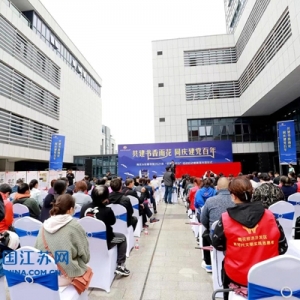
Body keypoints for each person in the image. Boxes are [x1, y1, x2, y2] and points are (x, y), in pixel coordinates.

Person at [212, 177, 288, 300]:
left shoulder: (225, 219)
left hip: (237, 278)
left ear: (233, 196)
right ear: (251, 192)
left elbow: (218, 244)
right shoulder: (270, 215)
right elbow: (283, 247)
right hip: (269, 278)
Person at [35, 194, 90, 286]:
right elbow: (85, 256)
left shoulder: (44, 225)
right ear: (71, 209)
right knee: (87, 269)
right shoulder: (74, 226)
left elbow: (36, 248)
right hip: (67, 275)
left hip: (44, 273)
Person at [81, 185, 130, 276]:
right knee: (122, 238)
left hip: (85, 242)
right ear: (105, 198)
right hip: (105, 241)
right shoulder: (107, 210)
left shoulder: (84, 208)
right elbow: (112, 222)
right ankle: (120, 265)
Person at [200, 178, 234, 273]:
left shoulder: (210, 201)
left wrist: (210, 227)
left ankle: (209, 263)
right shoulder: (236, 199)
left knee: (205, 234)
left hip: (215, 237)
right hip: (235, 235)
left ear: (217, 188)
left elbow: (203, 220)